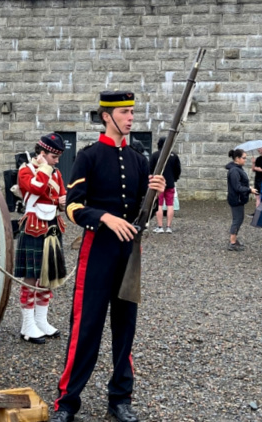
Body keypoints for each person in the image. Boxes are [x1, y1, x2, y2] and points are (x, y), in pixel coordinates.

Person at [52, 91, 165, 422]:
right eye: (125, 112)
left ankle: (120, 398)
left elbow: (143, 212)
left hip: (129, 252)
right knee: (85, 327)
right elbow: (72, 205)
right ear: (106, 116)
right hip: (97, 250)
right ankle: (67, 401)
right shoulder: (88, 157)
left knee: (125, 328)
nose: (131, 118)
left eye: (132, 112)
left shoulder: (139, 160)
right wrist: (103, 217)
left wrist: (154, 194)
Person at [14, 133, 68, 344]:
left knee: (48, 275)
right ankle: (27, 325)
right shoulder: (26, 170)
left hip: (52, 225)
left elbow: (61, 197)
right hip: (34, 226)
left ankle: (41, 321)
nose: (57, 161)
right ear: (42, 153)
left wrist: (63, 201)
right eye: (53, 157)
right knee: (31, 277)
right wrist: (45, 168)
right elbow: (35, 187)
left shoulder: (56, 173)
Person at [226, 148, 258, 252]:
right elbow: (237, 187)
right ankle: (232, 242)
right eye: (243, 158)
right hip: (236, 199)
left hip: (238, 198)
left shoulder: (238, 168)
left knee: (239, 219)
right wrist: (249, 190)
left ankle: (234, 240)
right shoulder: (234, 171)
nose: (245, 160)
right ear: (237, 158)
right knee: (237, 219)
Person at [150, 136, 182, 234]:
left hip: (158, 184)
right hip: (170, 183)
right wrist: (174, 179)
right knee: (170, 205)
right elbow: (178, 170)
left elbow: (150, 169)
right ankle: (168, 227)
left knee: (158, 205)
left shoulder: (155, 155)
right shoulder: (174, 156)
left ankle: (160, 227)